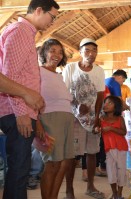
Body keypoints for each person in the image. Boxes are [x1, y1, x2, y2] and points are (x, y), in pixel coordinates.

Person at [0, 0, 59, 198]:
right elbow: (9, 75)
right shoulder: (20, 31)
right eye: (52, 16)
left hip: (22, 110)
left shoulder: (26, 33)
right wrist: (21, 113)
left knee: (21, 169)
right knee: (18, 170)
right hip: (15, 111)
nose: (53, 21)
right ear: (39, 10)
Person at [62, 38, 105, 199]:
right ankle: (69, 190)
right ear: (80, 52)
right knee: (72, 155)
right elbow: (64, 92)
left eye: (94, 50)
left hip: (93, 118)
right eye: (87, 50)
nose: (91, 53)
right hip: (74, 118)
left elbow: (100, 95)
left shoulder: (99, 71)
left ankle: (91, 186)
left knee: (92, 153)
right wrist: (77, 104)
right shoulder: (70, 68)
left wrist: (98, 117)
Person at [37, 38, 75, 199]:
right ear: (44, 53)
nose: (57, 55)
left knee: (64, 163)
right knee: (52, 163)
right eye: (52, 50)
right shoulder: (38, 71)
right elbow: (32, 98)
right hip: (50, 118)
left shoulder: (59, 75)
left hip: (67, 118)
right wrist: (37, 123)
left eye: (60, 52)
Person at [99, 96, 128, 199]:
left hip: (121, 148)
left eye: (110, 103)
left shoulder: (120, 119)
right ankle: (114, 193)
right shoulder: (101, 119)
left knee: (121, 170)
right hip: (108, 148)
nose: (106, 105)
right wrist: (97, 129)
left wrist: (111, 128)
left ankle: (119, 193)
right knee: (110, 170)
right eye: (105, 103)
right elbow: (96, 130)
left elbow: (124, 132)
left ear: (116, 107)